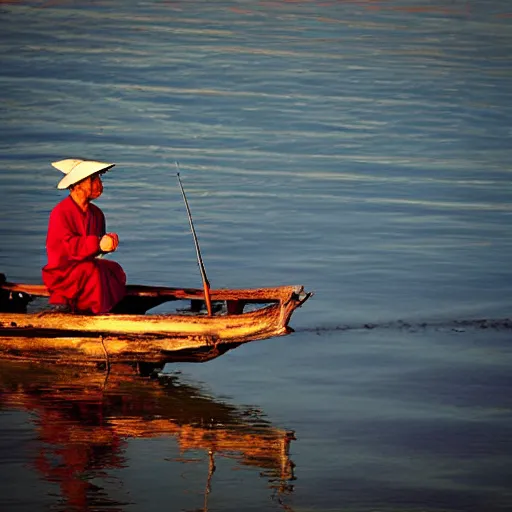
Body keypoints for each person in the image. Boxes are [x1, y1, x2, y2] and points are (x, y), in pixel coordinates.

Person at [42, 158, 126, 314]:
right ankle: (97, 311)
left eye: (98, 178)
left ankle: (110, 307)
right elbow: (69, 247)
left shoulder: (97, 214)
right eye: (93, 179)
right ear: (77, 184)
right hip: (63, 271)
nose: (98, 184)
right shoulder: (61, 212)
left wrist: (108, 244)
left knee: (113, 269)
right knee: (93, 272)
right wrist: (98, 244)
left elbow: (96, 251)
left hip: (86, 266)